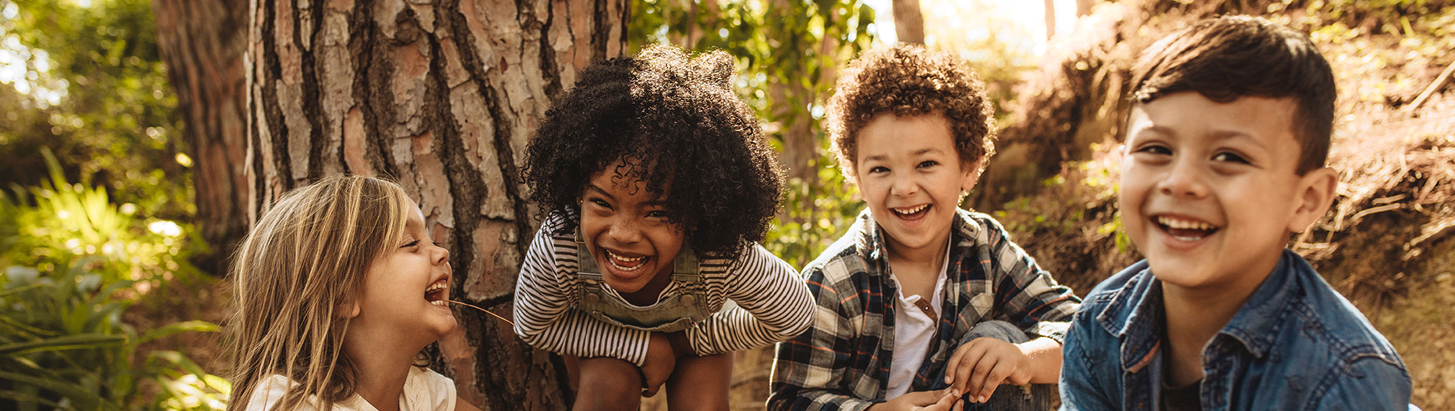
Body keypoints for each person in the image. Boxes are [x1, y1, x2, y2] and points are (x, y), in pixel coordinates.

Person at [1058, 16, 1412, 411]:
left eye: (1229, 157)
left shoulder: (1345, 379)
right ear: (1122, 166)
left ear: (1306, 199)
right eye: (1156, 149)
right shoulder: (1099, 326)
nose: (1180, 182)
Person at [769, 44, 1082, 411]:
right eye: (880, 169)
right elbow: (791, 402)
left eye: (926, 164)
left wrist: (1023, 358)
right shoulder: (833, 280)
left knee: (999, 340)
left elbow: (1085, 334)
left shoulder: (984, 246)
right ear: (856, 177)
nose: (903, 187)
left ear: (969, 167)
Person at [512, 44, 814, 411]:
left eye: (655, 212)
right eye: (603, 204)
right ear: (577, 193)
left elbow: (795, 313)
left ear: (697, 213)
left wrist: (684, 343)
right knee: (610, 385)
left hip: (696, 341)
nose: (622, 233)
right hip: (604, 342)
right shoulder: (560, 243)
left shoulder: (718, 255)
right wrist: (642, 346)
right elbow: (532, 326)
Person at [226, 176, 482, 411]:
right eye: (410, 243)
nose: (442, 253)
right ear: (342, 295)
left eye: (432, 242)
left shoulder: (420, 393)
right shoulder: (289, 404)